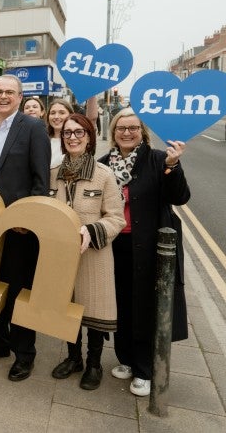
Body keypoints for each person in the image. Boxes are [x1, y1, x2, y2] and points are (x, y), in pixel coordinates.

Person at [99, 107, 190, 397]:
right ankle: (125, 358)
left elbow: (180, 197)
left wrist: (173, 167)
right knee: (121, 304)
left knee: (145, 306)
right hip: (115, 245)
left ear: (142, 132)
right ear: (113, 133)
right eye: (121, 128)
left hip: (149, 247)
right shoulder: (103, 164)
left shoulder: (159, 159)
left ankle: (144, 369)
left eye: (133, 128)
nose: (127, 132)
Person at [0, 74, 50, 382]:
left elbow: (41, 181)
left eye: (9, 92)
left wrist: (28, 220)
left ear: (19, 96)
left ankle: (24, 354)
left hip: (18, 229)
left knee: (17, 290)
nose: (3, 96)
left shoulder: (33, 128)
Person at [48, 114, 125, 390]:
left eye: (79, 132)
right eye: (67, 133)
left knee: (94, 309)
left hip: (94, 254)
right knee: (66, 307)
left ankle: (93, 364)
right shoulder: (53, 174)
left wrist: (91, 230)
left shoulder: (104, 175)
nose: (72, 137)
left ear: (90, 137)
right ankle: (73, 358)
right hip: (62, 256)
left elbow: (116, 218)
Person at [46, 99, 75, 169]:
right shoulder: (41, 139)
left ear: (71, 115)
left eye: (62, 113)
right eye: (52, 113)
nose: (56, 117)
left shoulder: (75, 140)